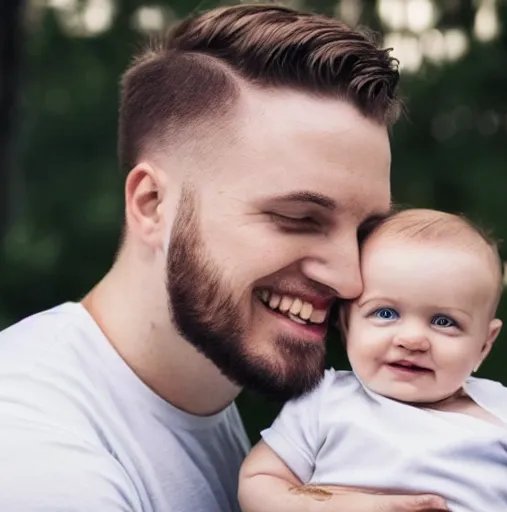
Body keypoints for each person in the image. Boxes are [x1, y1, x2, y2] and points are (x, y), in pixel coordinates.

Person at [0, 4, 447, 511]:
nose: (350, 279)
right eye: (299, 218)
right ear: (152, 205)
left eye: (367, 229)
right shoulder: (36, 455)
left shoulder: (216, 405)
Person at [239, 208, 507, 512]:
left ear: (484, 344)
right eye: (385, 313)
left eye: (444, 321)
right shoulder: (324, 401)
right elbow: (259, 482)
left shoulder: (504, 413)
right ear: (346, 325)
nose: (411, 340)